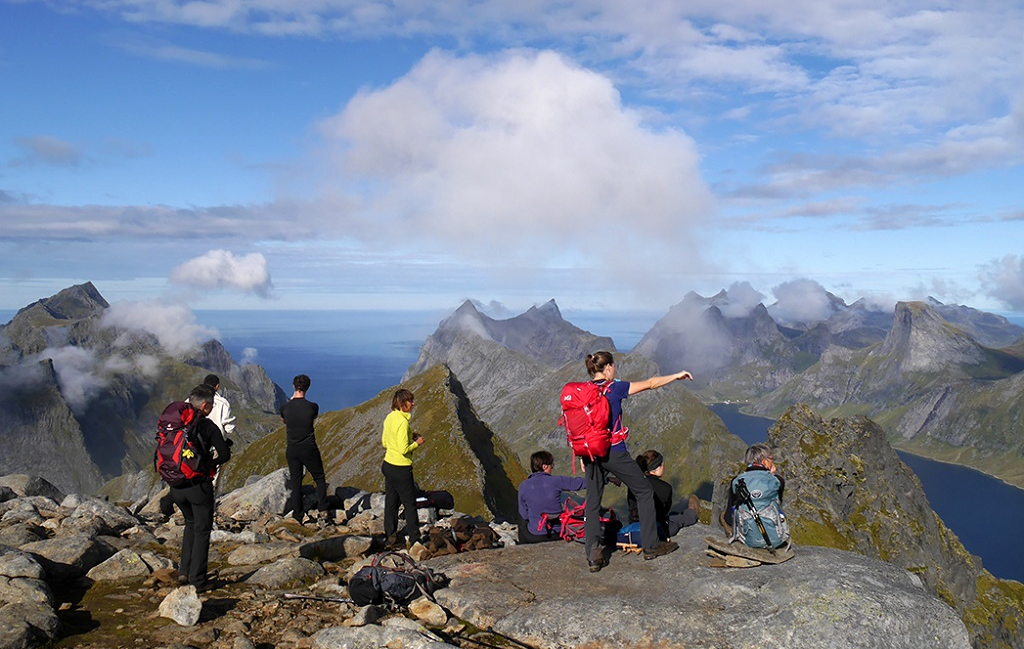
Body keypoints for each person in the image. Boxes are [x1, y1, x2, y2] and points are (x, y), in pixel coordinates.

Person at [582, 351, 693, 571]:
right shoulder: (615, 387)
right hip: (614, 452)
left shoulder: (582, 391)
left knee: (593, 503)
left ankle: (593, 556)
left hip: (590, 453)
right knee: (643, 491)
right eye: (614, 366)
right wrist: (677, 375)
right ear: (608, 368)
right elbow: (651, 383)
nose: (615, 369)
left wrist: (583, 455)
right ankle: (651, 546)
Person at [168, 384, 231, 591]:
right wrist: (209, 464)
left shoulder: (175, 424)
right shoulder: (206, 426)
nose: (212, 408)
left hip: (176, 486)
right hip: (198, 486)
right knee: (203, 530)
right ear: (204, 406)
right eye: (211, 405)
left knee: (190, 524)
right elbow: (224, 454)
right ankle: (198, 580)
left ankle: (184, 572)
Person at [280, 374, 328, 521]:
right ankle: (323, 510)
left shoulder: (285, 407)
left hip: (292, 449)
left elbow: (284, 421)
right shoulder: (313, 407)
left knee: (296, 482)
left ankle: (298, 515)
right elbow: (311, 418)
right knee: (319, 478)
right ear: (307, 388)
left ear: (294, 386)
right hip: (308, 448)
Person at [381, 388, 425, 549]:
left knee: (391, 503)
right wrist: (417, 443)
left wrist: (408, 435)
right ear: (401, 403)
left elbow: (385, 443)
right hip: (401, 467)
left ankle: (390, 537)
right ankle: (415, 539)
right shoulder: (402, 421)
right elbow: (403, 449)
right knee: (409, 503)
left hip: (388, 465)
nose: (413, 404)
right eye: (410, 401)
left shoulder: (390, 417)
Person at [723, 443, 789, 549]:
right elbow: (778, 503)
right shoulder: (778, 481)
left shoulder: (736, 481)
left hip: (747, 541)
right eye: (771, 459)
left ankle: (739, 536)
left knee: (724, 515)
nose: (773, 462)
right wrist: (772, 475)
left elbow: (728, 517)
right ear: (764, 461)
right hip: (775, 540)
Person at [626, 450, 699, 541]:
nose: (664, 467)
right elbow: (664, 511)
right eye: (662, 465)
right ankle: (693, 512)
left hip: (634, 526)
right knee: (679, 519)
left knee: (672, 515)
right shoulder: (665, 488)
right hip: (656, 529)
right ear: (656, 468)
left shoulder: (634, 484)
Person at [517, 450, 586, 543]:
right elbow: (579, 484)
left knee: (521, 518)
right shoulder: (557, 481)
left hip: (535, 535)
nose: (551, 469)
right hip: (558, 533)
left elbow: (524, 515)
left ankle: (524, 547)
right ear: (544, 466)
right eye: (551, 466)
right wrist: (604, 479)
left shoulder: (523, 486)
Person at [202, 374, 235, 488]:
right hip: (216, 445)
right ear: (217, 386)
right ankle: (210, 503)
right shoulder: (222, 403)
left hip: (195, 445)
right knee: (213, 476)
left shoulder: (190, 400)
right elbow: (229, 427)